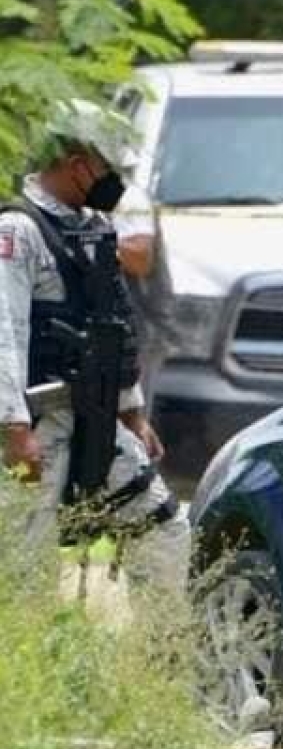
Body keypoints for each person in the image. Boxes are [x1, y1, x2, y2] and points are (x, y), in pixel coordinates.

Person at [0, 99, 190, 595]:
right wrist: (14, 429)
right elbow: (4, 332)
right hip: (37, 423)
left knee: (166, 531)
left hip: (98, 417)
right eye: (107, 167)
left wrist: (133, 413)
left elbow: (117, 327)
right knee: (25, 573)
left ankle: (159, 662)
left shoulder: (94, 227)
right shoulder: (18, 231)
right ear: (77, 163)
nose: (114, 182)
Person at [113, 178, 175, 417]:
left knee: (132, 422)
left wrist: (93, 239)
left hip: (139, 331)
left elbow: (140, 258)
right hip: (108, 332)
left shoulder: (129, 199)